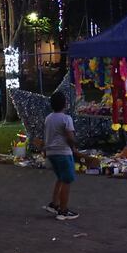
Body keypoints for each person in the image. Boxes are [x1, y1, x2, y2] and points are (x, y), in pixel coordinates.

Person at [42, 91, 80, 221]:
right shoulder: (66, 119)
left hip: (51, 152)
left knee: (60, 178)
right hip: (63, 152)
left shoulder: (48, 118)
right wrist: (74, 146)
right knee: (67, 180)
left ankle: (54, 204)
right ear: (65, 104)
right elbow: (70, 136)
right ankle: (63, 210)